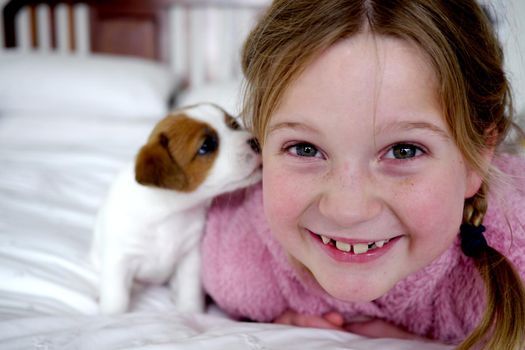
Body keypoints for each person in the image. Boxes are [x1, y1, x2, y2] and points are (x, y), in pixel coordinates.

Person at [201, 1, 525, 349]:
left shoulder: (514, 247)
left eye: (404, 150)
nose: (347, 210)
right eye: (305, 148)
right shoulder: (237, 258)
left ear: (477, 156)